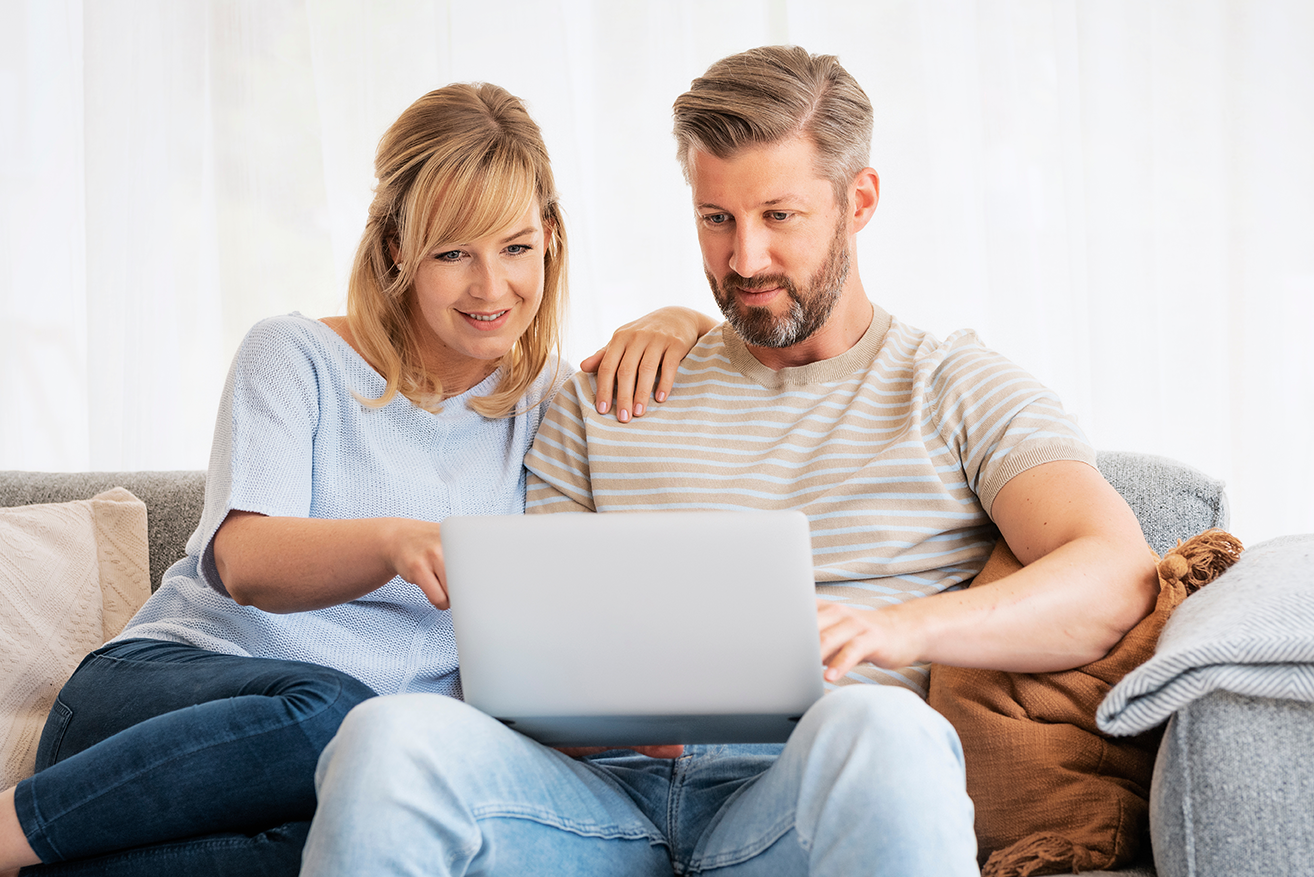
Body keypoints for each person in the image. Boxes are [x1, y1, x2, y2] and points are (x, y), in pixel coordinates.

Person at [300, 46, 1160, 876]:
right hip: (597, 801)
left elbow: (1115, 572)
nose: (744, 259)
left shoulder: (954, 387)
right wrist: (594, 707)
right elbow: (531, 658)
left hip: (804, 798)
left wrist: (902, 628)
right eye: (718, 220)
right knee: (388, 738)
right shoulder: (608, 393)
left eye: (778, 216)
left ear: (858, 200)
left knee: (885, 730)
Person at [0, 82, 713, 877]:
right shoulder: (295, 356)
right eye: (453, 253)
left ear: (549, 237)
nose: (490, 287)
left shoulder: (545, 407)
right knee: (339, 716)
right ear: (397, 249)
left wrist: (685, 320)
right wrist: (394, 540)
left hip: (339, 767)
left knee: (361, 827)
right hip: (156, 709)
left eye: (514, 247)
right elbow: (242, 560)